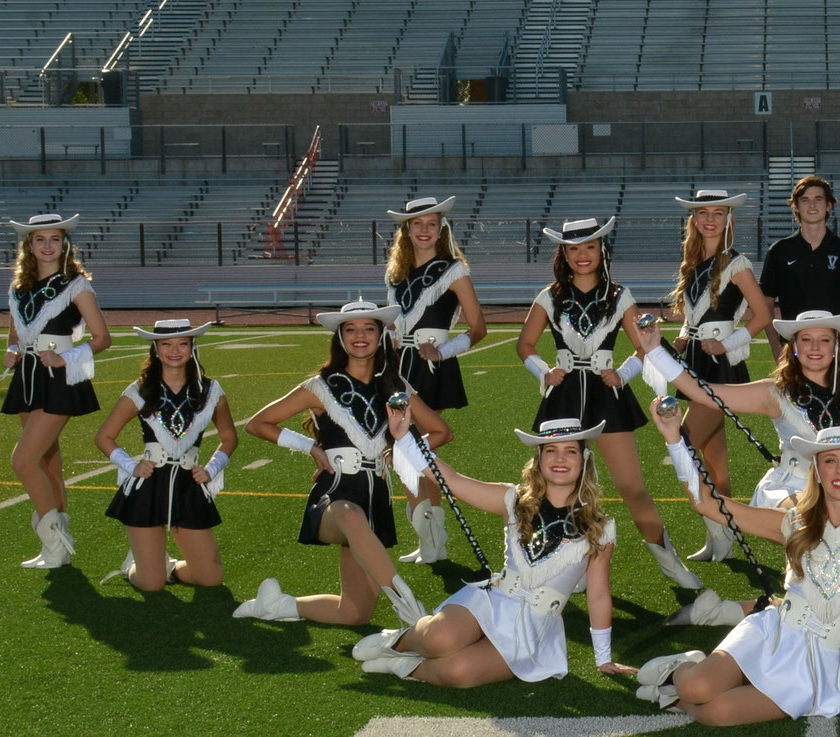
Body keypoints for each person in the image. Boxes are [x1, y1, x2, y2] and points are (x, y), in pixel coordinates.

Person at [633, 309, 840, 626]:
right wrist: (655, 349)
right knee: (813, 531)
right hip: (791, 490)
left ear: (836, 347)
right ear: (793, 346)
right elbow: (703, 392)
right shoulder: (775, 393)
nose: (815, 348)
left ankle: (728, 611)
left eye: (824, 340)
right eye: (806, 340)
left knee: (822, 600)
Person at [635, 418, 840, 725]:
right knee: (696, 686)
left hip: (818, 667)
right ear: (816, 472)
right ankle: (680, 669)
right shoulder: (794, 522)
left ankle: (671, 695)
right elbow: (708, 505)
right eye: (829, 461)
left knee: (717, 712)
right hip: (771, 634)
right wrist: (674, 438)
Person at [352, 416, 638, 685]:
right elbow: (452, 480)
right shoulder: (512, 499)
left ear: (585, 460)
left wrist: (603, 658)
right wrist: (405, 440)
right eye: (550, 450)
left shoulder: (600, 527)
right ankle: (398, 643)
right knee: (439, 639)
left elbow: (598, 594)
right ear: (539, 459)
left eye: (571, 451)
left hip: (533, 628)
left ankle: (403, 666)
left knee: (458, 672)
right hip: (491, 601)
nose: (560, 458)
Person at [233, 302, 447, 627]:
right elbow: (259, 423)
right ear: (340, 338)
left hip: (375, 500)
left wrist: (404, 451)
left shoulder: (396, 388)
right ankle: (409, 605)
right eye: (350, 329)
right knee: (349, 514)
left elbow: (441, 431)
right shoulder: (321, 386)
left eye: (368, 329)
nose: (359, 336)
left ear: (380, 336)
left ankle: (276, 605)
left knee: (354, 614)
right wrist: (309, 446)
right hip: (335, 495)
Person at [517, 217, 703, 589]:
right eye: (573, 249)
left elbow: (643, 346)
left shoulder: (621, 296)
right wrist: (544, 372)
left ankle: (672, 566)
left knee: (632, 486)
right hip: (564, 400)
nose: (581, 255)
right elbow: (524, 344)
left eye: (589, 247)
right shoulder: (549, 296)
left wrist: (623, 373)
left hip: (608, 399)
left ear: (602, 250)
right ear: (564, 254)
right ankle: (563, 565)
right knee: (561, 491)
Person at [668, 189, 773, 561]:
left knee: (682, 446)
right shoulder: (692, 262)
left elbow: (762, 315)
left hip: (721, 365)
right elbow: (694, 320)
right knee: (714, 459)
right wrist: (682, 339)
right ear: (694, 220)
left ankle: (723, 527)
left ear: (729, 219)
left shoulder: (737, 263)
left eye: (718, 212)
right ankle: (722, 536)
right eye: (703, 213)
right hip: (695, 360)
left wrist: (728, 344)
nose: (710, 219)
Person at [93, 320, 237, 590]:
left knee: (210, 579)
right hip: (149, 486)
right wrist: (131, 466)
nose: (174, 350)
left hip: (189, 485)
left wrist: (211, 469)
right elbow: (104, 437)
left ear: (192, 348)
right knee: (151, 584)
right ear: (156, 350)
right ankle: (135, 567)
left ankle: (168, 567)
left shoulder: (210, 391)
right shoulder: (140, 391)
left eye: (183, 344)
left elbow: (229, 438)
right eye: (166, 344)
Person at [2, 213, 111, 569]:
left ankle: (54, 541)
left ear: (65, 244)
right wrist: (13, 350)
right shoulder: (19, 288)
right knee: (48, 462)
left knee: (23, 460)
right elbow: (18, 330)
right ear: (28, 246)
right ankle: (59, 542)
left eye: (54, 239)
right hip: (27, 377)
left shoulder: (76, 285)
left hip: (58, 376)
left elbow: (102, 339)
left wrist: (66, 357)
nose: (47, 245)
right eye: (39, 239)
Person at [384, 196, 488, 565]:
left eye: (431, 224)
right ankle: (432, 542)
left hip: (429, 368)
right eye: (417, 224)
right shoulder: (396, 274)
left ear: (441, 229)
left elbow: (479, 329)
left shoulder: (453, 270)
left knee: (407, 453)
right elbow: (394, 323)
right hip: (396, 366)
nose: (424, 230)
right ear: (406, 230)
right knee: (412, 455)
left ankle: (432, 541)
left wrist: (442, 352)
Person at [757, 175, 840, 355]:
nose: (812, 205)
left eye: (818, 199)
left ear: (829, 205)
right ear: (796, 206)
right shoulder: (779, 250)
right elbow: (765, 304)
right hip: (793, 348)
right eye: (805, 200)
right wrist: (776, 346)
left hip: (834, 348)